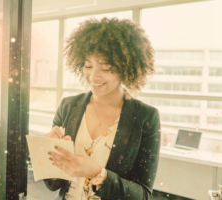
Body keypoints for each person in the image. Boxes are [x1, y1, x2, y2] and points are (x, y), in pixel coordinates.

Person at [43, 17, 161, 200]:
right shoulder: (68, 106)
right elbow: (52, 184)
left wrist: (99, 174)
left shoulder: (145, 117)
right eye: (88, 65)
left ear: (126, 67)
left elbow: (143, 194)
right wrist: (49, 151)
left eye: (106, 67)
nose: (93, 76)